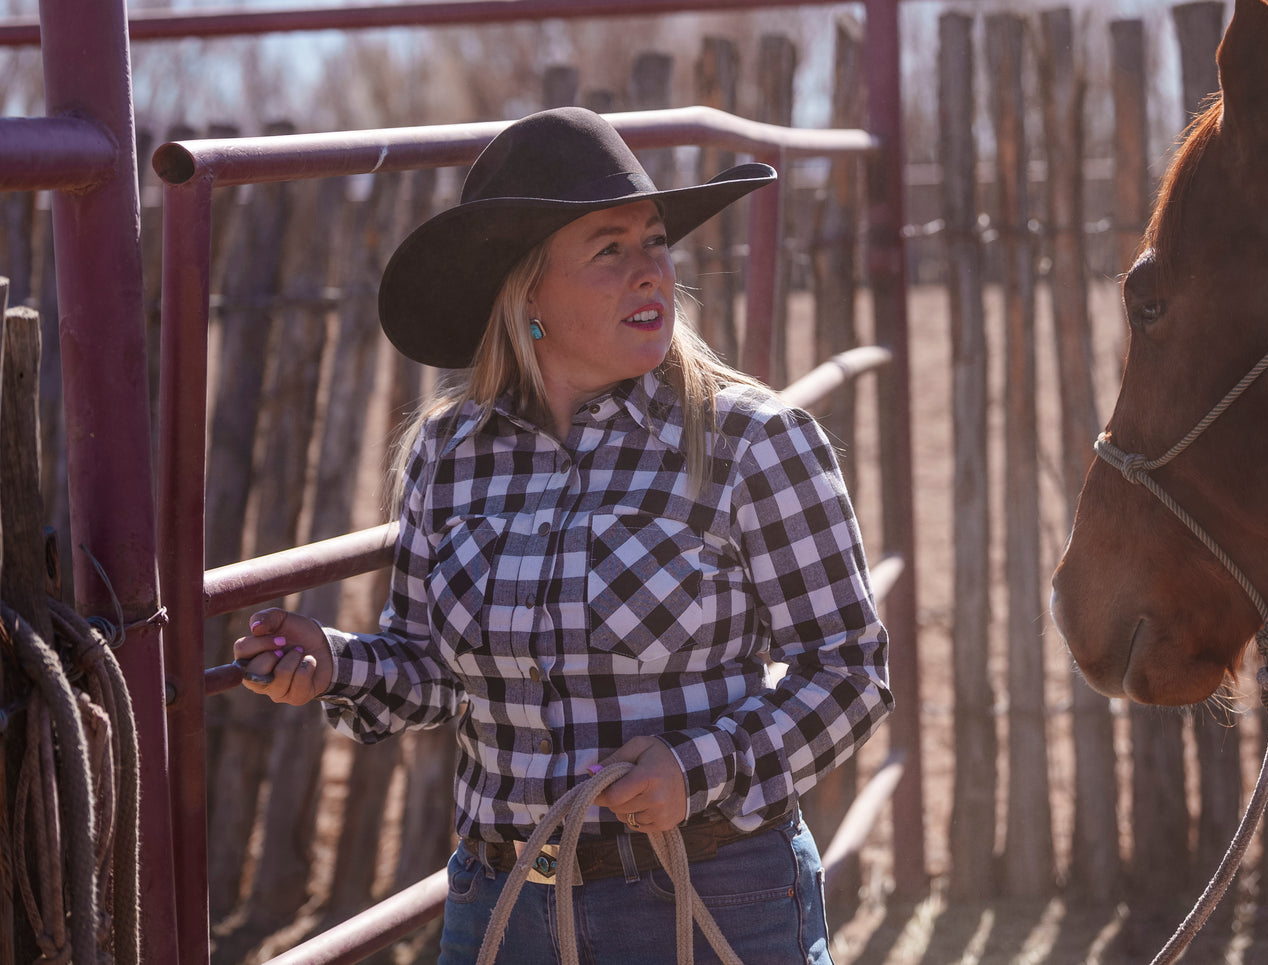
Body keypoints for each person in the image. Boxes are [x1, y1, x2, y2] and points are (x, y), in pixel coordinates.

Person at [233, 106, 892, 965]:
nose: (650, 272)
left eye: (654, 242)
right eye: (608, 251)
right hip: (502, 899)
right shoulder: (451, 451)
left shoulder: (751, 441)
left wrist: (701, 767)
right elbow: (434, 666)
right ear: (527, 293)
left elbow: (849, 669)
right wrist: (333, 663)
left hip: (706, 894)